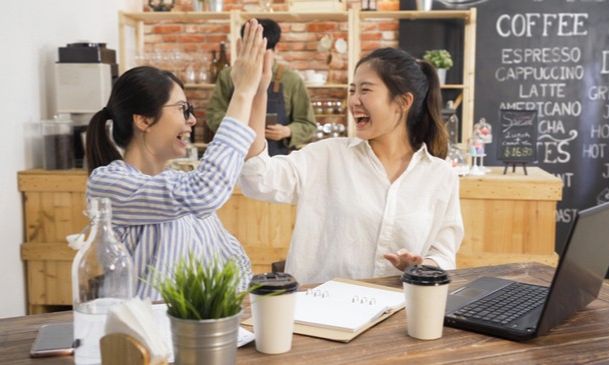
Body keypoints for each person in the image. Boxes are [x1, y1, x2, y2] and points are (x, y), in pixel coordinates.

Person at [239, 47, 464, 284]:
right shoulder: (327, 156)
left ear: (403, 102)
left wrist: (421, 266)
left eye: (365, 90)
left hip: (397, 311)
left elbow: (443, 255)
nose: (353, 100)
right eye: (352, 90)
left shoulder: (440, 176)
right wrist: (257, 93)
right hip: (321, 313)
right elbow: (258, 179)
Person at [84, 20, 269, 299]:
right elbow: (205, 191)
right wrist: (241, 92)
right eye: (183, 109)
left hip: (194, 331)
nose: (192, 120)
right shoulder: (108, 184)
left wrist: (257, 90)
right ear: (144, 120)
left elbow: (231, 261)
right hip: (141, 336)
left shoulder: (178, 183)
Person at [207, 18, 316, 156]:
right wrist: (239, 128)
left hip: (277, 161)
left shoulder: (291, 80)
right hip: (235, 157)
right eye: (253, 49)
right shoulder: (228, 76)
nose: (257, 56)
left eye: (263, 51)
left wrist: (287, 131)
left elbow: (308, 124)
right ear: (242, 45)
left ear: (276, 49)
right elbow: (213, 115)